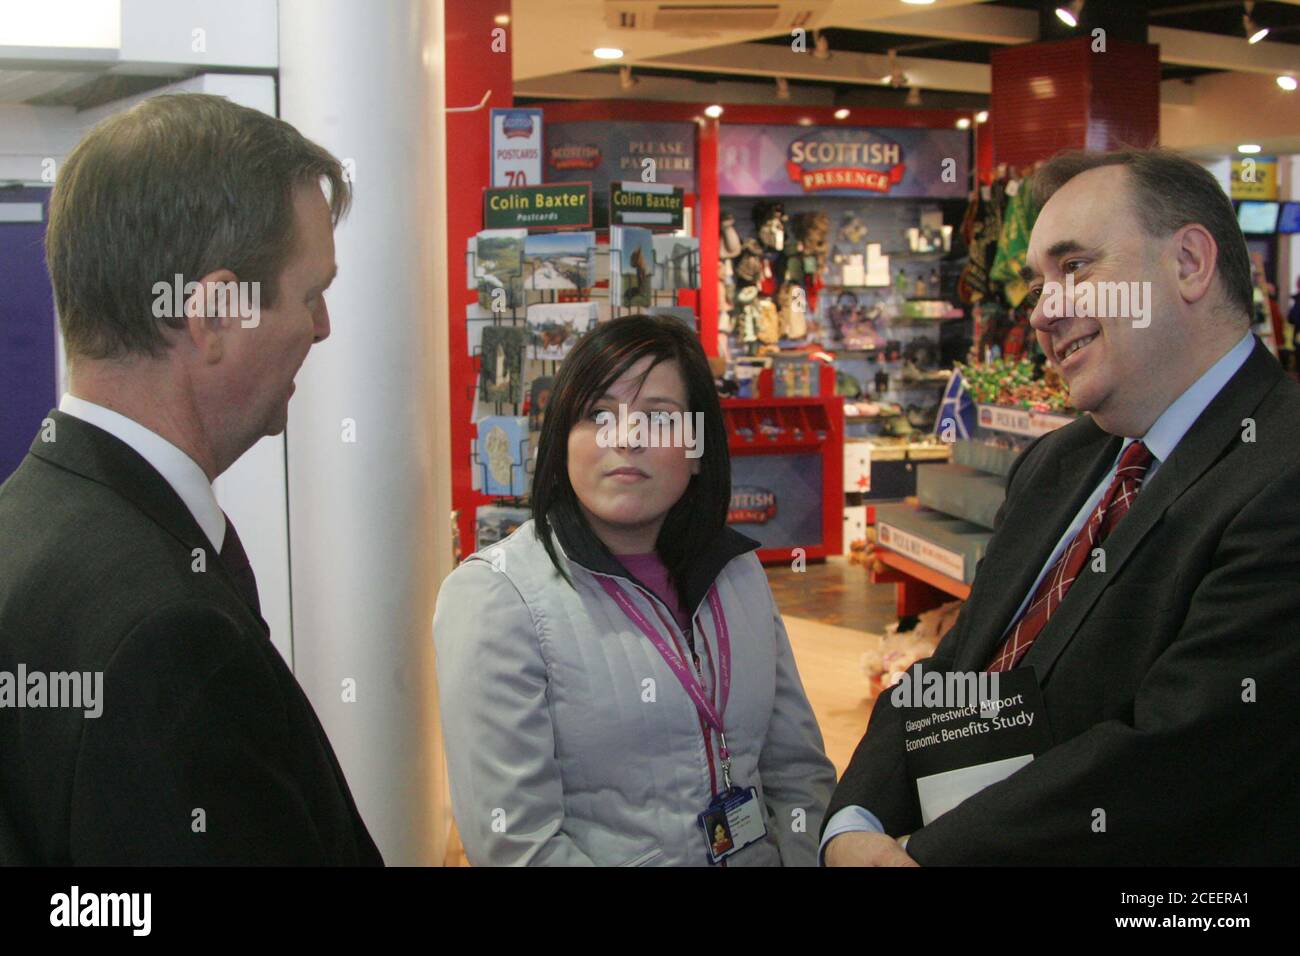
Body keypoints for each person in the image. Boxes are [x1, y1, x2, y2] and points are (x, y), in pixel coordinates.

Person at [823, 148, 1300, 866]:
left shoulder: (1282, 468)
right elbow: (959, 669)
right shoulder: (1056, 464)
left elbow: (1181, 751)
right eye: (1038, 283)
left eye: (1075, 269)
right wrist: (853, 823)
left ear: (1191, 263)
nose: (1044, 312)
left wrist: (924, 856)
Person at [0, 94, 382, 865]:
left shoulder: (23, 522)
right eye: (311, 294)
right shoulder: (170, 638)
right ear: (210, 316)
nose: (322, 326)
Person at [434, 314, 835, 866]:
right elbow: (516, 845)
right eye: (598, 415)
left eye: (659, 419)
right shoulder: (498, 597)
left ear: (696, 449)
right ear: (563, 441)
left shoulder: (738, 574)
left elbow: (798, 773)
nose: (625, 439)